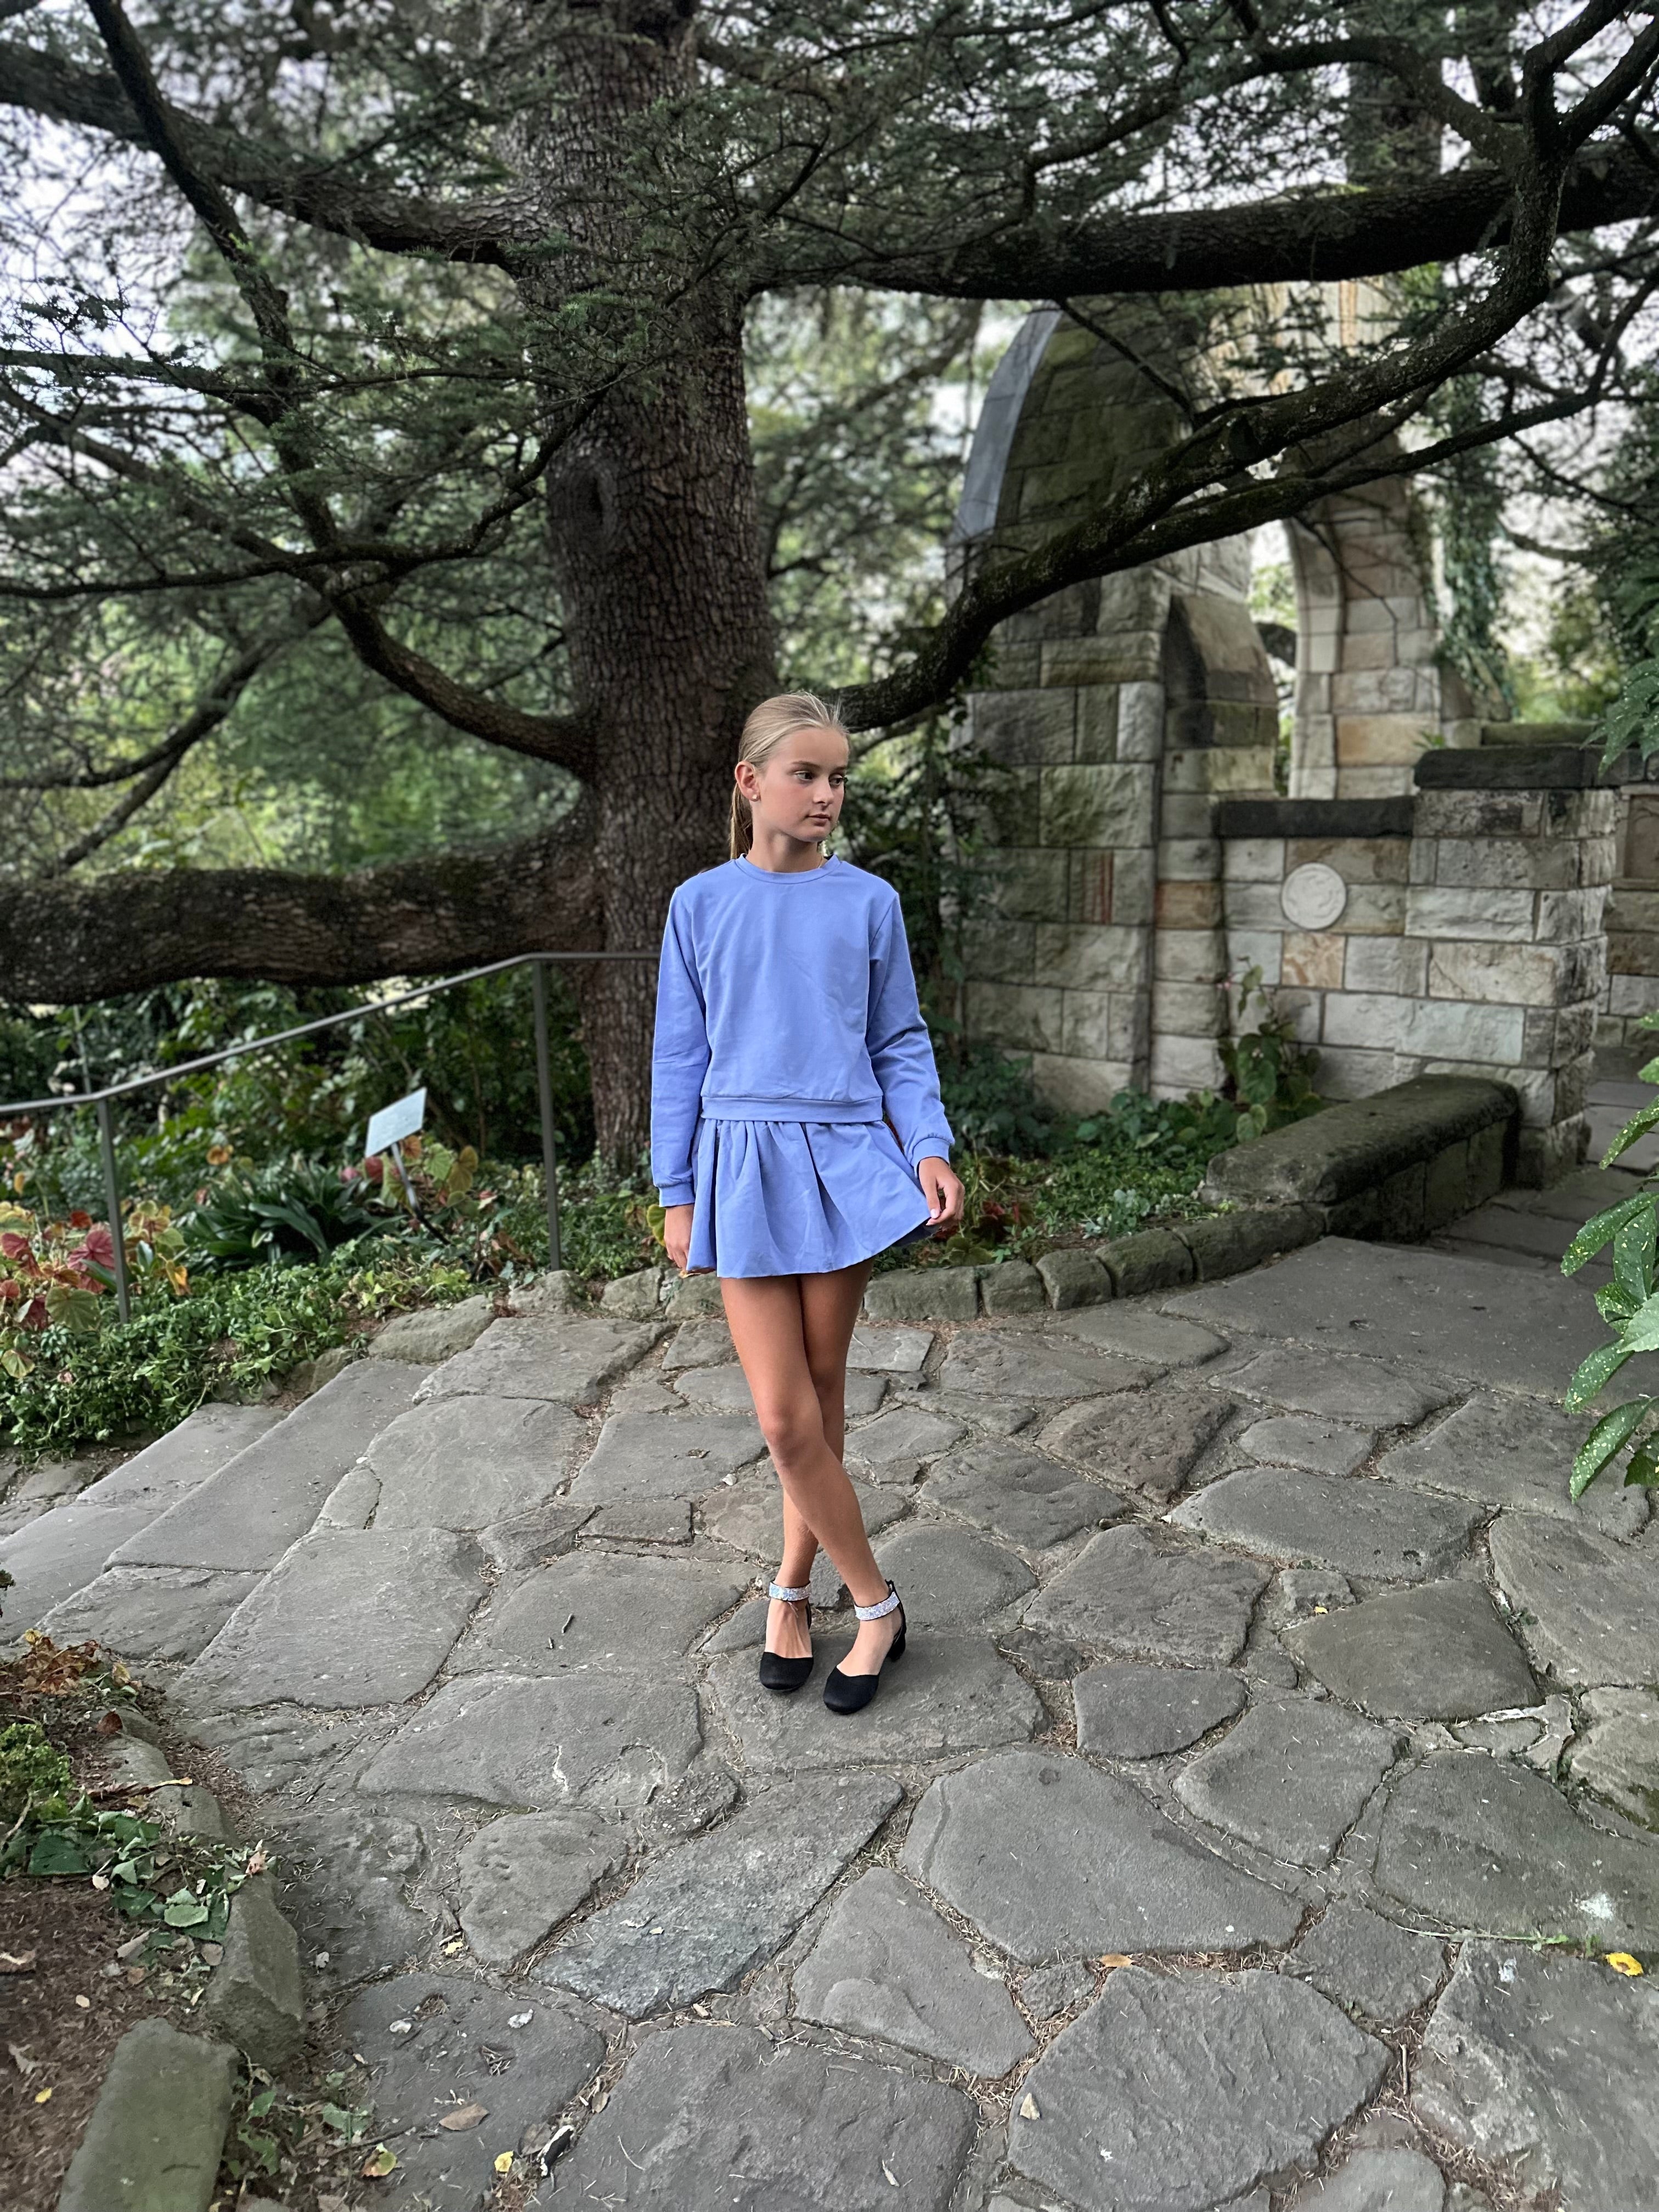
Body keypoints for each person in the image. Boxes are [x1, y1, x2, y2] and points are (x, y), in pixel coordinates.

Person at [650, 692, 964, 1713]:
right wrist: (676, 1191)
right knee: (788, 1421)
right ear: (751, 783)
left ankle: (790, 1589)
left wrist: (927, 1145)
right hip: (739, 1163)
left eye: (839, 778)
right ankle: (877, 1605)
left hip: (841, 1157)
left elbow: (898, 1040)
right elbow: (678, 1057)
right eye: (807, 775)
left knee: (823, 1396)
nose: (827, 794)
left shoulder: (868, 902)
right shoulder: (700, 903)